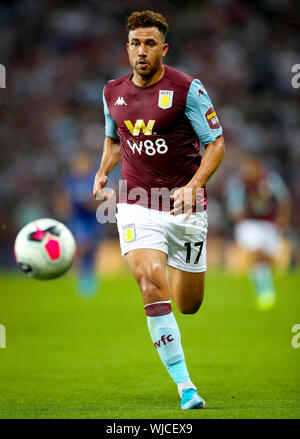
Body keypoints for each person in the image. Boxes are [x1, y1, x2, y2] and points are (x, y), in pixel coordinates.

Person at [93, 10, 225, 409]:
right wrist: (102, 172)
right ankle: (187, 387)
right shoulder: (111, 92)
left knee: (189, 305)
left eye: (150, 43)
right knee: (150, 282)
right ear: (127, 49)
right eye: (135, 43)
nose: (142, 51)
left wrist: (194, 185)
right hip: (137, 205)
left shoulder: (187, 90)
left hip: (186, 209)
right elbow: (115, 140)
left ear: (163, 48)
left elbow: (216, 143)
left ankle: (172, 267)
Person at [226, 153, 291, 310]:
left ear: (258, 167)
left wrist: (283, 219)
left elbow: (284, 200)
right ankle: (265, 291)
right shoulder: (238, 183)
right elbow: (233, 208)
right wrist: (238, 215)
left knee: (269, 259)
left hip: (269, 224)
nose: (248, 171)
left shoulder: (271, 180)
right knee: (256, 253)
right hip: (249, 224)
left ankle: (262, 286)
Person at [55, 152, 106, 298]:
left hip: (93, 218)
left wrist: (91, 203)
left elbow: (102, 199)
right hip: (78, 218)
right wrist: (64, 208)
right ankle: (80, 278)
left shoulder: (93, 180)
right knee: (82, 245)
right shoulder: (69, 180)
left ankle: (91, 277)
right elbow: (61, 197)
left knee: (93, 249)